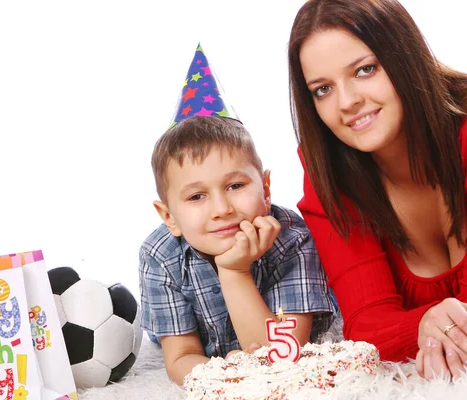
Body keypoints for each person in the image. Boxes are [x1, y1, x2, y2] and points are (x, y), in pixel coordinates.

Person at [287, 0, 467, 381]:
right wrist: (423, 322)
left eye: (365, 69)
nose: (347, 102)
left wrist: (422, 326)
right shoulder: (327, 168)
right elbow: (365, 329)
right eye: (322, 89)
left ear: (403, 56)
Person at [139, 45, 336, 385]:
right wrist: (225, 379)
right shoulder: (160, 255)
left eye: (235, 185)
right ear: (168, 216)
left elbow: (282, 356)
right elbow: (181, 356)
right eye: (197, 196)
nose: (222, 209)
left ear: (266, 186)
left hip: (281, 346)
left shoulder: (293, 240)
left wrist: (233, 271)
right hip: (214, 356)